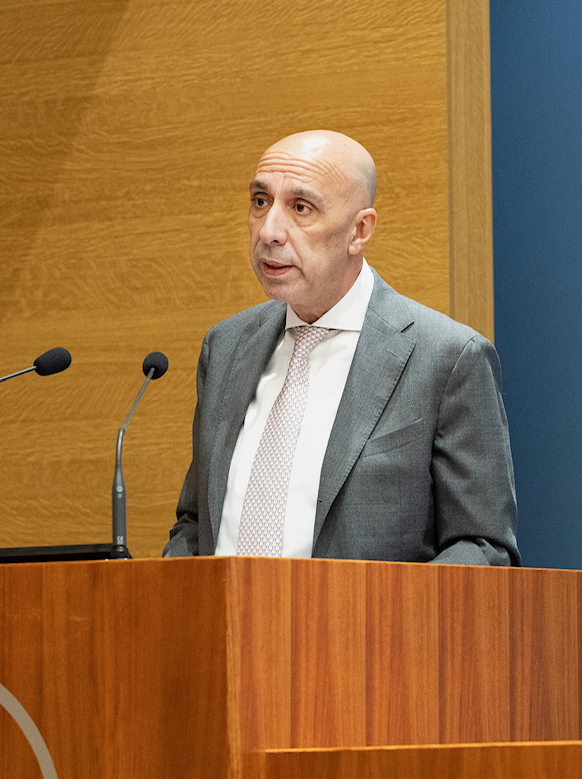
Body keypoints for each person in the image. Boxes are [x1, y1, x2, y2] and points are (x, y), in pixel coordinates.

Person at [164, 130, 519, 566]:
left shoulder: (447, 358)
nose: (269, 231)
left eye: (300, 208)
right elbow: (196, 523)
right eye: (260, 201)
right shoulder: (226, 347)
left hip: (367, 613)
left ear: (359, 230)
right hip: (224, 612)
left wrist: (378, 608)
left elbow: (483, 546)